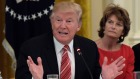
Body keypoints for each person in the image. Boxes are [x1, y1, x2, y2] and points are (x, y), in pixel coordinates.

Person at [15, 1, 125, 79]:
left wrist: (103, 77)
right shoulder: (31, 48)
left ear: (79, 25)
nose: (63, 26)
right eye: (58, 20)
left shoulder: (89, 48)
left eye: (69, 21)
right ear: (51, 22)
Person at [95, 3, 134, 79]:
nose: (113, 27)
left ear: (123, 31)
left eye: (118, 24)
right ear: (104, 25)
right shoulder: (91, 48)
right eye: (110, 22)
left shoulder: (128, 52)